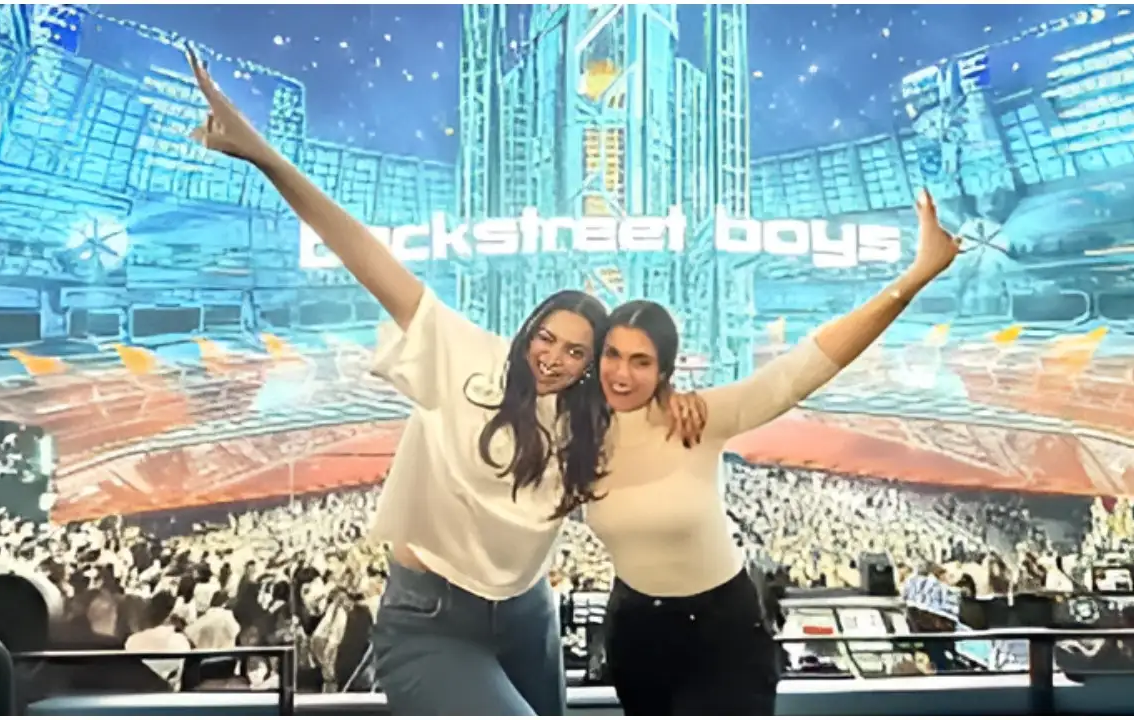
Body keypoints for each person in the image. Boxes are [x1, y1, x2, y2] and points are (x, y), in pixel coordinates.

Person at [182, 48, 703, 715]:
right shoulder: (463, 355)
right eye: (546, 337)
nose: (553, 358)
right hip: (431, 618)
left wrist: (677, 402)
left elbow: (678, 410)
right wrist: (265, 156)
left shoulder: (593, 420)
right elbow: (361, 253)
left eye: (576, 352)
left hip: (528, 615)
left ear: (590, 364)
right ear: (528, 331)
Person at [585, 189, 961, 715]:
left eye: (641, 361)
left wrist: (916, 275)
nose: (621, 373)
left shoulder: (698, 418)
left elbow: (801, 370)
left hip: (722, 631)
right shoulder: (575, 429)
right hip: (636, 631)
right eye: (612, 355)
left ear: (665, 370)